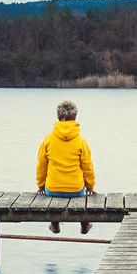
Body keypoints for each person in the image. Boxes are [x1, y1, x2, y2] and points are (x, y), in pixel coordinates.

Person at [37, 99, 96, 235]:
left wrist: (40, 185)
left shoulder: (48, 140)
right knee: (80, 195)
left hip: (52, 189)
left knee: (52, 191)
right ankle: (85, 224)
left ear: (58, 117)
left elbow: (41, 165)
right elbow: (88, 167)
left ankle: (55, 224)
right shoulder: (81, 141)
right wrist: (90, 186)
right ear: (75, 117)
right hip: (76, 190)